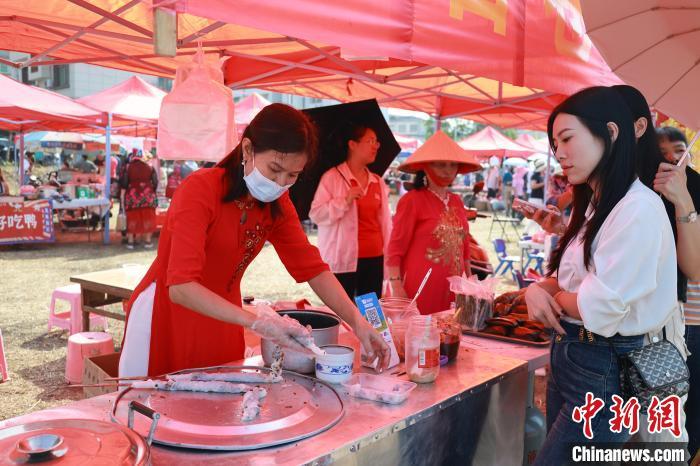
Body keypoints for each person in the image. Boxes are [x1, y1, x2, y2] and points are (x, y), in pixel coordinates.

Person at [119, 104, 389, 378]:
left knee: (220, 404)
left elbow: (312, 267)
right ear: (247, 150)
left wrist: (357, 321)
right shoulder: (200, 189)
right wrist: (258, 322)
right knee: (166, 407)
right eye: (274, 169)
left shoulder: (277, 202)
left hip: (225, 316)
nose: (281, 182)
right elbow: (181, 287)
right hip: (170, 315)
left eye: (292, 175)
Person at [525, 87, 680, 465]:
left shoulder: (637, 209)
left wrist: (553, 298)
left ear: (610, 133)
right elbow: (571, 279)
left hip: (605, 363)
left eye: (567, 138)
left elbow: (599, 306)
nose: (558, 153)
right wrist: (539, 291)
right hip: (577, 356)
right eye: (553, 143)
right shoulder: (599, 205)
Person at [386, 130, 478, 314]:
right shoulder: (412, 200)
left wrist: (470, 281)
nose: (448, 170)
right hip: (419, 287)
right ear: (425, 167)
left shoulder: (457, 201)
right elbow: (395, 249)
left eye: (453, 165)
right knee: (420, 337)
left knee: (448, 334)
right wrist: (396, 286)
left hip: (454, 288)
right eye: (441, 165)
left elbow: (465, 247)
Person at [309, 123, 391, 300]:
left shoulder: (377, 181)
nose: (375, 146)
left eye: (376, 142)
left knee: (371, 313)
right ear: (352, 144)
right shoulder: (332, 177)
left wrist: (389, 257)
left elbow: (385, 224)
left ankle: (372, 330)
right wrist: (344, 201)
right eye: (370, 141)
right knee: (343, 312)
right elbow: (316, 214)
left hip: (374, 258)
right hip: (342, 260)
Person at [120, 151, 158, 249]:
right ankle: (148, 241)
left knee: (132, 217)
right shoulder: (150, 167)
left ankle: (130, 241)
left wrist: (122, 196)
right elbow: (155, 182)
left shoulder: (128, 167)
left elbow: (124, 183)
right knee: (148, 217)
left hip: (133, 195)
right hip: (148, 195)